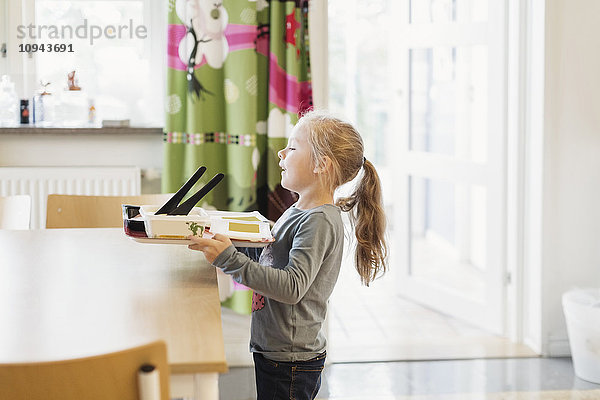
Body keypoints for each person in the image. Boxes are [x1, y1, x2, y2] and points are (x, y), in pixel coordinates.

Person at [188, 110, 388, 400]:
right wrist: (227, 243)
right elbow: (272, 257)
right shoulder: (299, 211)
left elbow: (292, 287)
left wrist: (228, 258)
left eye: (293, 147)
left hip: (291, 358)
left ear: (321, 165)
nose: (282, 152)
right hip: (277, 348)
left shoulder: (318, 221)